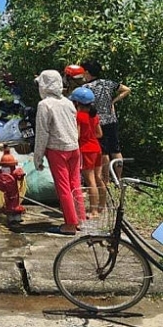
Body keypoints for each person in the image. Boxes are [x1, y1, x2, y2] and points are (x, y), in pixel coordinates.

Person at [34, 70, 84, 235]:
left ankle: (70, 224)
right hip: (74, 148)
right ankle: (80, 220)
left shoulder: (44, 105)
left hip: (57, 150)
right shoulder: (68, 102)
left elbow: (42, 133)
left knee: (63, 188)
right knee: (75, 185)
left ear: (44, 85)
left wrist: (38, 158)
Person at [80, 61, 131, 182]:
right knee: (115, 149)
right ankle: (118, 178)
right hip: (111, 119)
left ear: (87, 72)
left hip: (97, 122)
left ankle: (106, 179)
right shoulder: (108, 83)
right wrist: (113, 101)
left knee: (104, 152)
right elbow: (127, 89)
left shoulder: (86, 88)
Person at [69, 87, 106, 219]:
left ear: (77, 103)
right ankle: (102, 206)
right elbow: (99, 134)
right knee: (98, 178)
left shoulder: (78, 116)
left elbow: (77, 135)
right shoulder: (94, 115)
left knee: (90, 181)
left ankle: (93, 211)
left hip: (86, 150)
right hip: (97, 148)